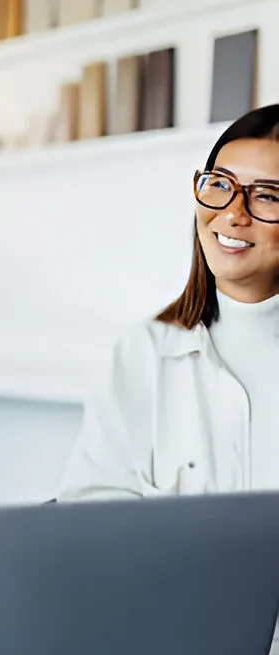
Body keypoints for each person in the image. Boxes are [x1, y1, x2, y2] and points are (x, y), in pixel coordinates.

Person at [59, 104, 279, 500]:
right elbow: (90, 511)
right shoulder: (142, 354)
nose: (231, 214)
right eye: (220, 185)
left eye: (266, 195)